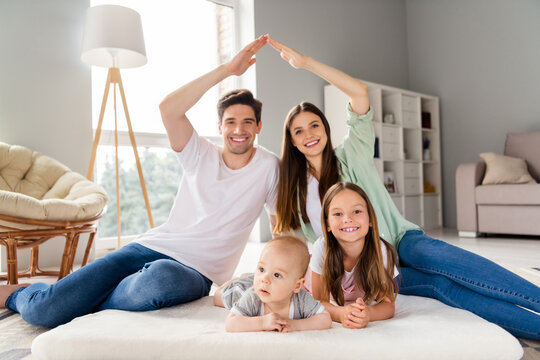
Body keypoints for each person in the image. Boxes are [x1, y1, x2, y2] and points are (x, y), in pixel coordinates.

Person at [269, 36, 540, 340]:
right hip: (366, 269)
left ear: (326, 128)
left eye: (314, 125)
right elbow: (290, 246)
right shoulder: (294, 191)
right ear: (291, 140)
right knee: (442, 287)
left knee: (443, 261)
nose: (309, 134)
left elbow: (359, 93)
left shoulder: (352, 153)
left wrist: (305, 62)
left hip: (398, 240)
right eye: (299, 131)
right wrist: (263, 276)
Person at [0, 35, 280, 328]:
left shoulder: (269, 166)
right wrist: (227, 70)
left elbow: (278, 226)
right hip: (150, 247)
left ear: (258, 127)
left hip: (197, 273)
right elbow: (169, 109)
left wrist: (276, 275)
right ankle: (18, 294)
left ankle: (79, 299)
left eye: (248, 122)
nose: (239, 129)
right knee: (43, 312)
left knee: (160, 280)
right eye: (231, 122)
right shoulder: (200, 153)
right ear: (219, 126)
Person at [307, 182, 398, 329]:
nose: (347, 219)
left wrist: (368, 313)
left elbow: (388, 305)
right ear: (327, 224)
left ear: (370, 219)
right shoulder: (322, 247)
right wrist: (341, 313)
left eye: (356, 211)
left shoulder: (381, 250)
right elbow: (319, 302)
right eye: (337, 213)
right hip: (307, 278)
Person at [215, 235, 332, 332]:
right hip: (243, 290)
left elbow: (325, 319)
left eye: (277, 275)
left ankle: (250, 276)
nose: (264, 278)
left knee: (258, 280)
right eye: (261, 269)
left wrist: (295, 325)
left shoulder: (301, 299)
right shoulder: (252, 297)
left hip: (259, 286)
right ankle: (242, 278)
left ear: (297, 286)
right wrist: (262, 322)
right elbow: (231, 323)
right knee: (218, 297)